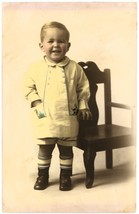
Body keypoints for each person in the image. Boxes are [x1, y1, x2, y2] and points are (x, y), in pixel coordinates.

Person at [24, 21, 92, 191]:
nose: (56, 45)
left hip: (67, 118)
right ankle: (43, 175)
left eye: (61, 41)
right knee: (45, 149)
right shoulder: (35, 68)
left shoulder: (75, 68)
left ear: (68, 46)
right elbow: (28, 87)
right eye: (50, 41)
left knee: (66, 149)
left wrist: (83, 105)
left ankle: (65, 177)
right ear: (41, 46)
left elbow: (83, 89)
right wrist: (37, 103)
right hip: (45, 117)